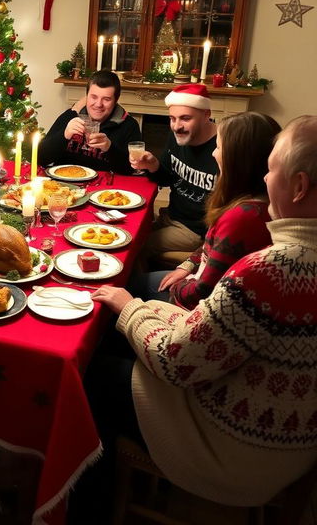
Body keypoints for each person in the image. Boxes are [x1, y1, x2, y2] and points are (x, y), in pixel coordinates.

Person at [74, 115, 317, 522]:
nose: (264, 176)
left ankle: (85, 511)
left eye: (272, 168)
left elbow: (176, 362)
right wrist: (151, 309)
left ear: (298, 186)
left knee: (91, 375)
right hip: (290, 441)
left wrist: (131, 307)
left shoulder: (274, 270)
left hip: (237, 452)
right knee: (118, 331)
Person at [131, 112, 281, 309]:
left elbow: (201, 293)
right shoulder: (244, 199)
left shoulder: (242, 217)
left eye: (219, 147)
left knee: (129, 286)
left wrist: (179, 285)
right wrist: (188, 266)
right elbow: (213, 246)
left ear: (238, 157)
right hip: (195, 274)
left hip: (196, 305)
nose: (213, 153)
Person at [132, 83, 218, 266]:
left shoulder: (221, 149)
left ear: (206, 115)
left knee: (137, 245)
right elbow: (167, 178)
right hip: (171, 215)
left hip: (195, 230)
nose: (177, 126)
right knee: (131, 230)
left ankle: (138, 289)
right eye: (172, 118)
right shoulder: (178, 136)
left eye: (185, 118)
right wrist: (153, 165)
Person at [38, 70, 141, 174]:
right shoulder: (70, 116)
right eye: (94, 97)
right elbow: (40, 158)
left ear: (116, 100)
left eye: (106, 99)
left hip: (104, 187)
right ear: (87, 96)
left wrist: (110, 148)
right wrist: (63, 135)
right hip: (64, 183)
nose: (98, 104)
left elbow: (130, 171)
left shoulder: (129, 125)